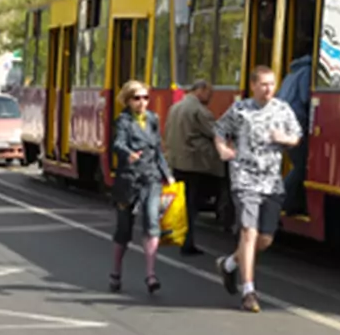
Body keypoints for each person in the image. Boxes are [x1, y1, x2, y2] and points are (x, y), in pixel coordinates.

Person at [213, 66, 302, 313]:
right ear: (253, 85)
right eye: (263, 84)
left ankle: (229, 264)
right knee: (248, 233)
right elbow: (219, 130)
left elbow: (296, 137)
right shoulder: (240, 110)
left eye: (272, 84)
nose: (268, 89)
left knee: (265, 239)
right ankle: (249, 291)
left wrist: (283, 138)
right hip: (244, 178)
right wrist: (222, 149)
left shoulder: (282, 109)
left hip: (271, 181)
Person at [108, 80, 174, 295]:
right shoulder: (123, 121)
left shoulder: (153, 119)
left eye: (146, 97)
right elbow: (117, 143)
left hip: (151, 177)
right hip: (128, 180)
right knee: (124, 229)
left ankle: (150, 274)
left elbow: (157, 149)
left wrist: (167, 174)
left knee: (152, 220)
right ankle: (116, 272)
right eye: (137, 98)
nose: (142, 102)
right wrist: (129, 154)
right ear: (127, 100)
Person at [164, 79, 221, 256]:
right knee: (191, 204)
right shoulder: (199, 111)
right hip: (195, 163)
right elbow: (216, 132)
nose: (210, 97)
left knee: (184, 202)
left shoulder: (175, 107)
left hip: (177, 161)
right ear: (200, 90)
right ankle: (187, 242)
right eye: (209, 92)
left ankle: (182, 238)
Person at [277, 54, 312, 215]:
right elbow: (306, 97)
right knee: (303, 166)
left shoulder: (291, 75)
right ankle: (281, 200)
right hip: (295, 123)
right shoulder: (307, 72)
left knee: (298, 164)